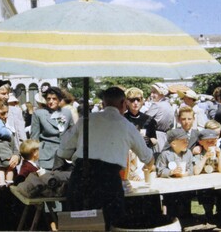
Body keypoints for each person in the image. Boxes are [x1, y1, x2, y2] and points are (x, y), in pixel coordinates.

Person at [58, 87, 155, 230]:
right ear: (124, 103)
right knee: (110, 226)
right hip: (108, 182)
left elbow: (63, 151)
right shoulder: (127, 126)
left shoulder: (86, 120)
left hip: (80, 177)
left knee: (79, 226)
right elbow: (147, 157)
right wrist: (150, 166)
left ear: (103, 104)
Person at [31, 87, 74, 170]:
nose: (51, 101)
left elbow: (72, 132)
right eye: (48, 99)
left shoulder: (67, 112)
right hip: (47, 157)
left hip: (64, 155)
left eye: (54, 99)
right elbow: (34, 139)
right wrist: (35, 160)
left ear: (60, 99)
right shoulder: (39, 114)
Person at [156, 129, 193, 218]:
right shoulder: (165, 154)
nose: (186, 143)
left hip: (185, 185)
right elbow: (160, 170)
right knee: (171, 206)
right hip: (171, 187)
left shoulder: (188, 153)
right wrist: (171, 172)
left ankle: (186, 220)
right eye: (183, 141)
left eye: (187, 140)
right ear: (173, 144)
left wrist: (186, 173)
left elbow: (191, 168)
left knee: (186, 204)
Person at [193, 129, 221, 221]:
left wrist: (219, 155)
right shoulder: (199, 153)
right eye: (208, 142)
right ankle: (209, 215)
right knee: (206, 196)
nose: (211, 144)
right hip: (204, 183)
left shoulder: (217, 152)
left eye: (213, 141)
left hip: (216, 182)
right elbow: (196, 171)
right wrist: (205, 157)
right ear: (201, 142)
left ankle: (220, 215)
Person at [0, 81, 27, 153]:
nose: (7, 97)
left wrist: (20, 154)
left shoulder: (16, 111)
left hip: (14, 153)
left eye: (8, 93)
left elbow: (22, 136)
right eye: (3, 94)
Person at [0, 96, 15, 188]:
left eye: (7, 112)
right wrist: (8, 133)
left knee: (0, 167)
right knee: (7, 167)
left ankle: (2, 183)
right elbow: (3, 132)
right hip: (4, 154)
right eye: (1, 112)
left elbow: (16, 149)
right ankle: (8, 181)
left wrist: (16, 155)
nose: (6, 116)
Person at [145, 83, 174, 155]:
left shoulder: (156, 105)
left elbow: (144, 121)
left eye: (154, 92)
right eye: (151, 92)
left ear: (161, 93)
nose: (151, 95)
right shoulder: (169, 106)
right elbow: (172, 125)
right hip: (165, 137)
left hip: (154, 137)